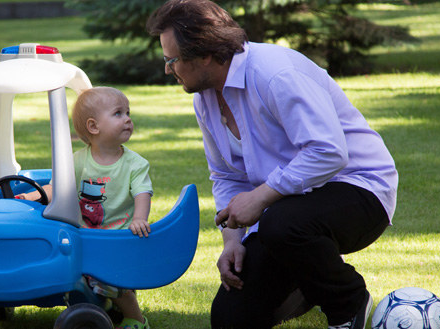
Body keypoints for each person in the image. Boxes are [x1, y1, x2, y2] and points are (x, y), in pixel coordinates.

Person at [146, 1, 398, 329]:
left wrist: (263, 196)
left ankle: (347, 303)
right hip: (289, 211)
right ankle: (309, 281)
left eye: (172, 59)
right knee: (230, 317)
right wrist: (232, 240)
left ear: (204, 53)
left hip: (360, 190)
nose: (168, 68)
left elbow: (330, 152)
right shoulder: (204, 98)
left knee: (282, 225)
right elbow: (226, 174)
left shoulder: (276, 73)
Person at [17, 86, 153, 329]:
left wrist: (139, 218)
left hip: (117, 237)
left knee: (116, 284)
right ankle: (96, 307)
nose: (128, 119)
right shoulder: (77, 161)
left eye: (128, 112)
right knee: (77, 276)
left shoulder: (135, 164)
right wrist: (32, 196)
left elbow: (143, 192)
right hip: (83, 235)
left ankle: (137, 319)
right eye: (118, 113)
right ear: (93, 127)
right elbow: (57, 187)